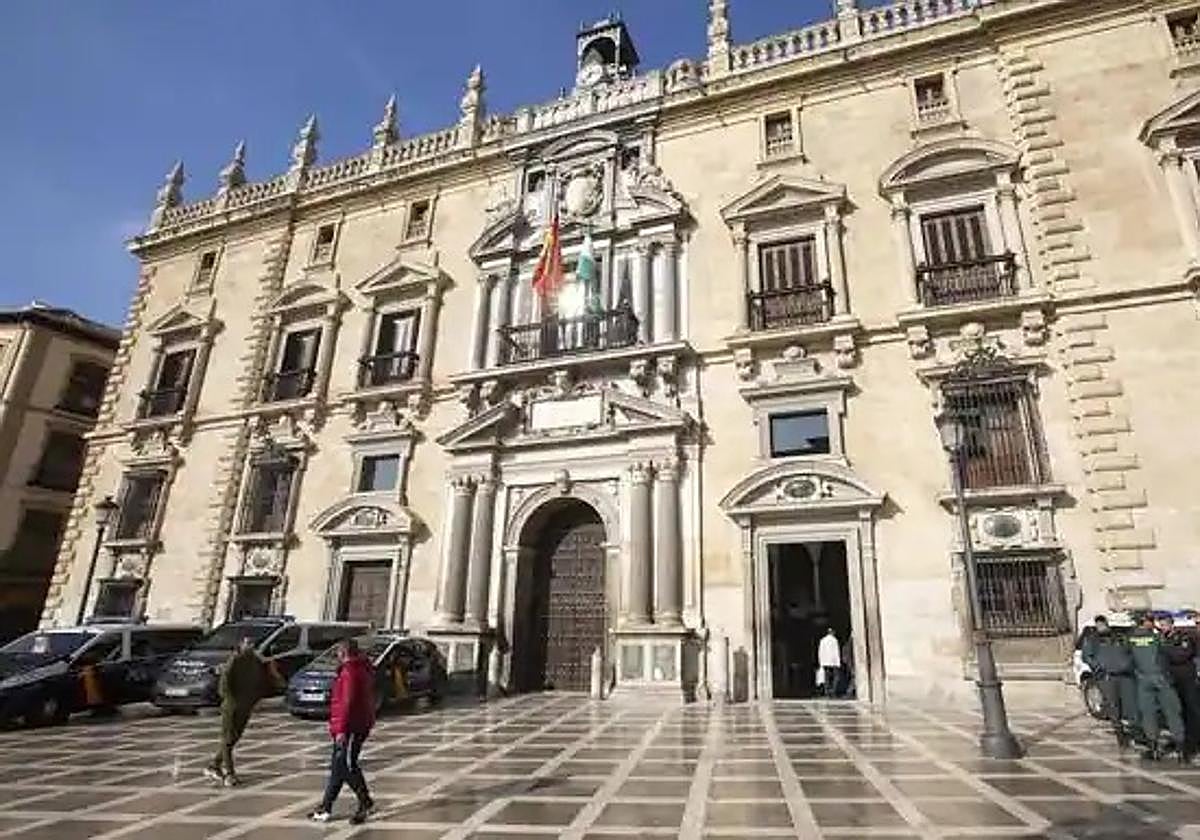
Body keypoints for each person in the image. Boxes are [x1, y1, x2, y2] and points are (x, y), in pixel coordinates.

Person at [310, 638, 377, 825]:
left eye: (338, 652)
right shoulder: (358, 668)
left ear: (343, 652)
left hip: (351, 727)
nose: (337, 655)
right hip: (353, 724)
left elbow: (348, 703)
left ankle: (366, 802)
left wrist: (341, 730)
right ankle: (326, 806)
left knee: (347, 766)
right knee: (338, 767)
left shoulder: (350, 671)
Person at [204, 637, 266, 786]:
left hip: (246, 705)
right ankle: (229, 774)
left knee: (234, 737)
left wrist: (255, 699)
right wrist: (229, 699)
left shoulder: (256, 662)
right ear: (241, 645)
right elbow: (224, 683)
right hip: (232, 706)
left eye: (252, 643)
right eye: (247, 643)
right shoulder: (235, 660)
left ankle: (214, 765)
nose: (250, 646)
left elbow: (260, 682)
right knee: (227, 739)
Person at [1128, 612, 1187, 761]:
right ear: (1147, 622)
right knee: (1173, 713)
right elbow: (1171, 655)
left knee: (1148, 715)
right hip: (1162, 679)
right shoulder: (1158, 638)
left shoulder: (1130, 639)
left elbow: (1128, 659)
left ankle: (1153, 749)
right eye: (1152, 621)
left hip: (1143, 680)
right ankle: (1181, 751)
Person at [1081, 615, 1138, 747]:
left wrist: (1128, 665)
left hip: (1125, 676)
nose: (1101, 626)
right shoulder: (1092, 639)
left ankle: (1136, 733)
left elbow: (1131, 652)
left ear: (1106, 624)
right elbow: (1086, 656)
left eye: (1102, 623)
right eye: (1098, 624)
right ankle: (1120, 735)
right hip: (1107, 677)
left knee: (1130, 705)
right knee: (1113, 706)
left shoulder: (1119, 637)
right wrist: (1098, 666)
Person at [1158, 613, 1200, 760]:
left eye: (1164, 625)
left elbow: (1181, 654)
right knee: (1177, 711)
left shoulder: (1184, 637)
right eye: (1161, 625)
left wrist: (1165, 651)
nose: (1162, 628)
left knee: (1192, 711)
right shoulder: (1162, 639)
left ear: (1171, 624)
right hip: (1172, 680)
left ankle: (1192, 744)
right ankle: (1181, 742)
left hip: (1187, 678)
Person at [818, 628, 841, 698]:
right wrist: (838, 662)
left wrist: (821, 662)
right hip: (833, 662)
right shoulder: (834, 640)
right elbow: (836, 652)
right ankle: (833, 691)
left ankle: (827, 691)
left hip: (825, 662)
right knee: (836, 677)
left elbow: (820, 652)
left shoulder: (823, 640)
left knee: (826, 677)